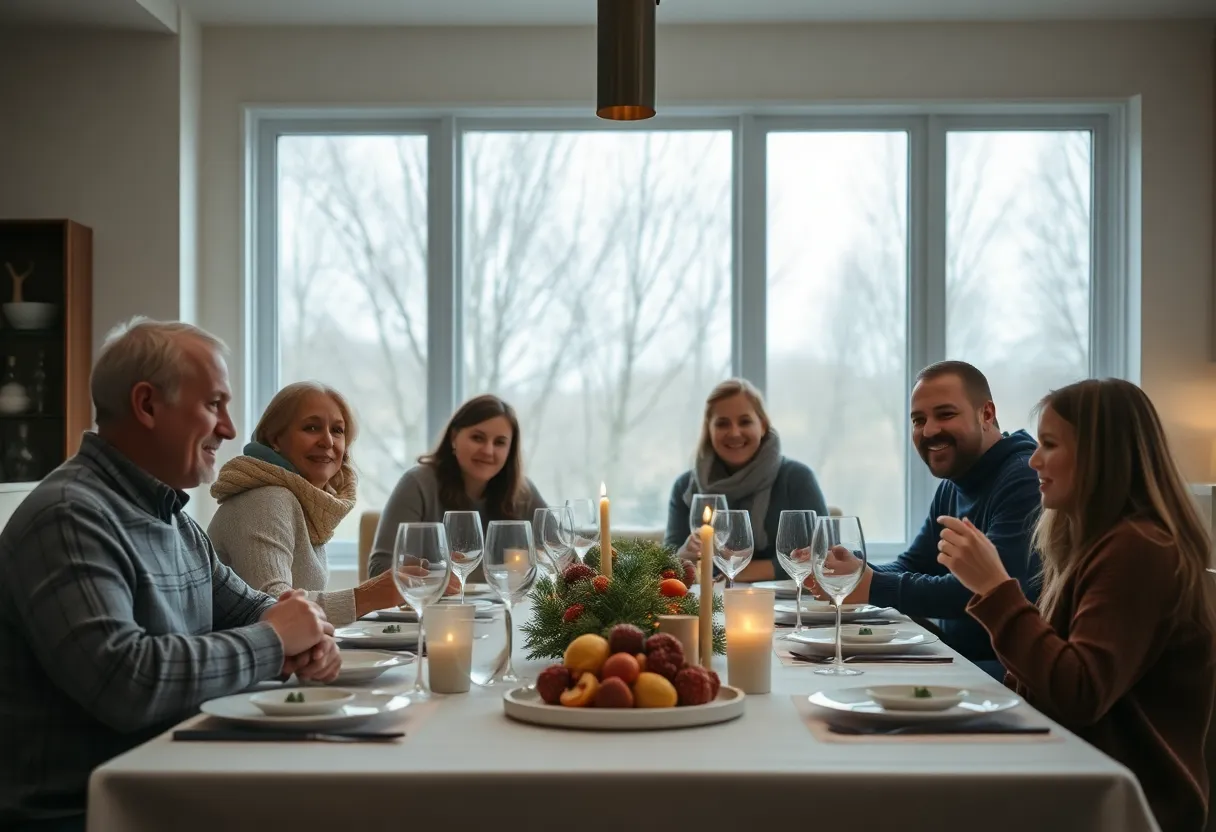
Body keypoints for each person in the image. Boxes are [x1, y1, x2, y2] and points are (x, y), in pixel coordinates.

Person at [0, 318, 340, 830]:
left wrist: (304, 631)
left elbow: (253, 607)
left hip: (177, 779)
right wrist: (275, 640)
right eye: (214, 405)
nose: (228, 429)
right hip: (90, 812)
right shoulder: (69, 515)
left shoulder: (173, 516)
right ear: (146, 405)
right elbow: (126, 680)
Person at [938, 379, 1216, 832]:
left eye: (1049, 444)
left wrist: (996, 588)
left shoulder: (1138, 549)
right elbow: (1041, 687)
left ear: (1100, 456)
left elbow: (1079, 693)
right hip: (1071, 770)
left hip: (1123, 803)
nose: (1033, 460)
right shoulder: (1096, 544)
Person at [808, 361, 1041, 671]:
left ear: (986, 414)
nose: (929, 431)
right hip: (959, 658)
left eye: (945, 414)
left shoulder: (1024, 478)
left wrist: (873, 584)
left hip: (1007, 671)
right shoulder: (955, 483)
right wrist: (850, 569)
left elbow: (982, 590)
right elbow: (913, 564)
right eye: (919, 420)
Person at [208, 382, 405, 626]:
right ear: (275, 438)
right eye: (311, 428)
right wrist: (370, 595)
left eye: (337, 430)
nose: (328, 442)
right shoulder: (265, 499)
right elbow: (275, 608)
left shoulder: (302, 501)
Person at [665, 378, 828, 583]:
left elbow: (826, 555)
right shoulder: (685, 487)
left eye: (745, 421)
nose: (734, 432)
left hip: (788, 607)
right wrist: (683, 557)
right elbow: (666, 563)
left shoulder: (797, 479)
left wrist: (738, 571)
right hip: (709, 604)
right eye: (722, 423)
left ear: (763, 425)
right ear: (709, 430)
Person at [368, 394, 546, 578]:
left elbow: (563, 555)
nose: (488, 450)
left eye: (500, 442)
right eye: (477, 438)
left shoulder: (523, 492)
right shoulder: (417, 483)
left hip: (504, 606)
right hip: (434, 606)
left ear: (510, 450)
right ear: (454, 437)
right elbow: (379, 570)